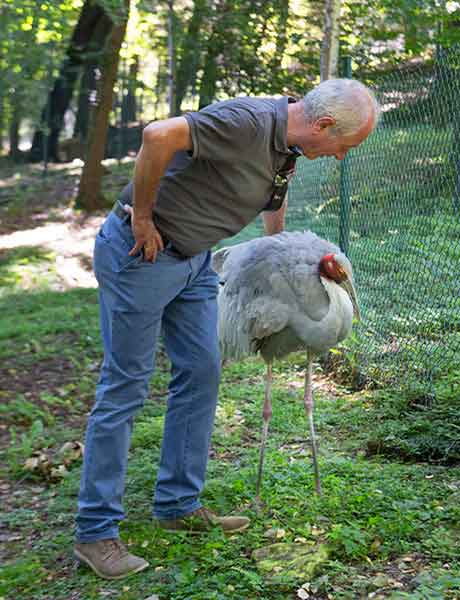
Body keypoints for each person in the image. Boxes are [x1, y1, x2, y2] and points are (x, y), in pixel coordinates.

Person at [74, 78, 380, 579]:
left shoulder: (288, 143)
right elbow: (157, 136)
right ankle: (95, 533)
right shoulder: (246, 123)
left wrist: (278, 251)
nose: (341, 156)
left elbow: (274, 196)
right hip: (143, 253)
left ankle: (177, 504)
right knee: (126, 386)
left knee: (201, 371)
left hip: (194, 260)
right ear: (324, 124)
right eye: (344, 146)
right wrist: (143, 217)